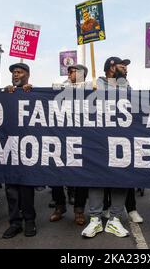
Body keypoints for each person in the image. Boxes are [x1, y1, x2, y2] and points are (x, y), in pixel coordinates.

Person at [82, 57, 141, 238]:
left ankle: (115, 220)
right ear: (111, 67)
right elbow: (66, 94)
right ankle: (95, 220)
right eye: (123, 66)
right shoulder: (94, 84)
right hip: (98, 141)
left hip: (121, 140)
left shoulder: (126, 86)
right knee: (96, 179)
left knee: (120, 177)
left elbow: (136, 107)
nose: (126, 69)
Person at [0, 63, 37, 239]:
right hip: (9, 147)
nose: (15, 75)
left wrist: (30, 91)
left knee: (26, 187)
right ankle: (15, 222)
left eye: (19, 72)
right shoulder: (8, 93)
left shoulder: (33, 92)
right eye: (14, 72)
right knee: (11, 189)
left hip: (28, 147)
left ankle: (29, 220)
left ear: (27, 75)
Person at [50, 64, 89, 226]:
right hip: (61, 136)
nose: (70, 73)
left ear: (82, 74)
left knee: (81, 176)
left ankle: (79, 210)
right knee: (55, 172)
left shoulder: (91, 88)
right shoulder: (59, 87)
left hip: (82, 137)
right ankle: (59, 206)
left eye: (74, 71)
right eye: (70, 71)